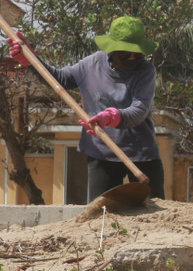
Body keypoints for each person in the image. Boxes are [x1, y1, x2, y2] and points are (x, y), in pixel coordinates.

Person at [8, 16, 165, 201]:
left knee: (155, 213)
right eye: (125, 54)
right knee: (102, 213)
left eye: (137, 54)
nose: (132, 58)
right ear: (112, 50)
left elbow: (139, 110)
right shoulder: (92, 64)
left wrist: (110, 117)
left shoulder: (145, 70)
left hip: (141, 154)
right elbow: (60, 79)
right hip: (101, 153)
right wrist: (31, 60)